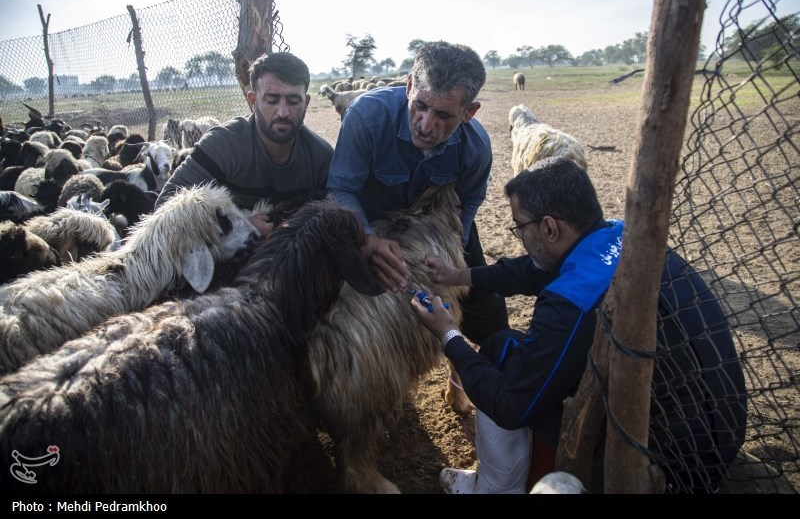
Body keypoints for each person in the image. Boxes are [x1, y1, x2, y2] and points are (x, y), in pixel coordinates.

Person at [411, 156, 748, 494]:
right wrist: (460, 275)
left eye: (520, 228)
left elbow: (512, 406)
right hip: (719, 434)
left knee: (499, 352)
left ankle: (493, 488)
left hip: (663, 471)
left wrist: (448, 335)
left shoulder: (569, 302)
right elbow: (534, 268)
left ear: (549, 228)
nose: (520, 239)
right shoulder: (622, 236)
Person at [326, 41, 509, 342]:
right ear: (409, 85)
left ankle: (463, 375)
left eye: (444, 116)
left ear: (469, 112)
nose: (426, 124)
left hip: (440, 224)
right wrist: (367, 240)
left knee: (489, 312)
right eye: (420, 106)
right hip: (369, 221)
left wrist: (453, 245)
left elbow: (471, 198)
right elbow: (341, 188)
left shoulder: (475, 148)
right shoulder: (365, 117)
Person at [156, 51, 334, 239]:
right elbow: (165, 206)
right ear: (252, 101)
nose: (283, 112)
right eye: (271, 100)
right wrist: (237, 226)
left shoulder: (321, 158)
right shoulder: (223, 145)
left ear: (305, 103)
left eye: (293, 101)